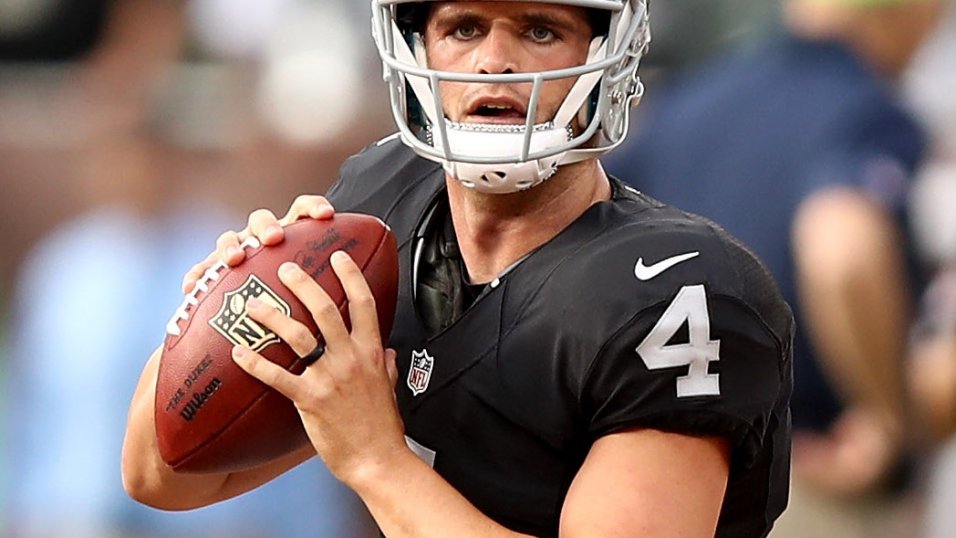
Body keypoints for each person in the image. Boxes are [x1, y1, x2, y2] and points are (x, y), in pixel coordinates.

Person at [122, 1, 795, 536]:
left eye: (539, 29)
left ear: (605, 54)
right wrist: (236, 294)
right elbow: (163, 474)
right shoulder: (382, 206)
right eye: (464, 27)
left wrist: (376, 461)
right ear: (417, 46)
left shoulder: (678, 291)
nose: (494, 62)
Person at [602, 0, 944, 536]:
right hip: (805, 482)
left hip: (659, 475)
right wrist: (887, 422)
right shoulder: (864, 108)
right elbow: (842, 248)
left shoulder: (692, 99)